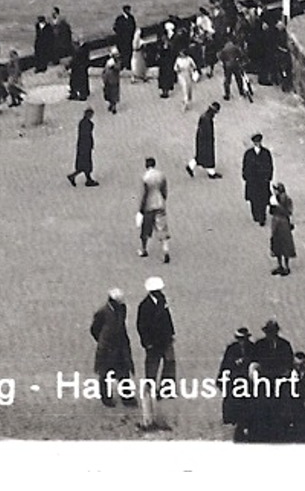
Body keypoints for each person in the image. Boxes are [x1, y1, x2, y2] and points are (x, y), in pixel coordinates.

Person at [135, 276, 176, 432]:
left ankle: (163, 394)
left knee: (168, 368)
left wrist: (171, 334)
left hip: (164, 342)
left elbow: (167, 318)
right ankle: (148, 418)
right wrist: (147, 343)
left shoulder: (160, 300)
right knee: (150, 377)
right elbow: (141, 326)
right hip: (154, 346)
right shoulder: (144, 306)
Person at [89, 289, 137, 408]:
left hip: (120, 346)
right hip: (107, 348)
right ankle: (106, 398)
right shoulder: (102, 312)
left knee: (124, 372)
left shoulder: (121, 309)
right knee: (105, 374)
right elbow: (94, 329)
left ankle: (127, 397)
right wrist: (102, 341)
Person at [218, 326, 257, 440]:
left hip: (248, 382)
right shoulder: (232, 349)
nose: (242, 341)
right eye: (240, 338)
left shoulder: (252, 348)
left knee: (248, 404)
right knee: (234, 403)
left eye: (244, 338)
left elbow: (256, 363)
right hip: (235, 380)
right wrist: (221, 378)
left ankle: (246, 424)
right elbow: (225, 364)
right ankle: (236, 423)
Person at [137, 157, 170, 263]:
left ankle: (144, 249)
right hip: (160, 203)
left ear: (146, 165)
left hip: (149, 206)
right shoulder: (161, 175)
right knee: (162, 228)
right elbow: (164, 190)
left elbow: (144, 194)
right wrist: (163, 199)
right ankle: (165, 250)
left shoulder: (145, 177)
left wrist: (141, 209)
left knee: (145, 229)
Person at [242, 133, 274, 226]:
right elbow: (245, 166)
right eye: (256, 142)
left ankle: (262, 217)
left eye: (259, 142)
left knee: (263, 199)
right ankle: (256, 215)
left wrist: (268, 177)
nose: (257, 144)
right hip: (252, 181)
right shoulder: (248, 154)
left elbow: (270, 166)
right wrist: (245, 176)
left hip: (262, 181)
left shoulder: (266, 153)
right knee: (254, 199)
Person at [187, 102, 221, 178]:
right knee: (208, 155)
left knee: (201, 155)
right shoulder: (208, 119)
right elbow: (208, 131)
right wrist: (211, 139)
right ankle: (211, 172)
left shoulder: (204, 116)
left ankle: (191, 166)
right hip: (206, 140)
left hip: (201, 138)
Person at [268, 183, 296, 276]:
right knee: (277, 244)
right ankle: (280, 265)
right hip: (276, 223)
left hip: (283, 223)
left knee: (284, 244)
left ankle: (286, 266)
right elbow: (271, 212)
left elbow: (288, 212)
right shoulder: (274, 198)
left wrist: (278, 206)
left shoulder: (287, 200)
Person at [68, 109, 98, 187]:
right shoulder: (87, 123)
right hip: (85, 145)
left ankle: (85, 178)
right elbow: (87, 135)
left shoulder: (83, 123)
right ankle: (86, 179)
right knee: (85, 162)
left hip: (82, 144)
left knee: (83, 163)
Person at [113, 6, 138, 72]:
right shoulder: (120, 19)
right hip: (121, 39)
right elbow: (115, 27)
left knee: (129, 51)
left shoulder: (131, 18)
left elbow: (134, 27)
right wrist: (120, 34)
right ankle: (122, 65)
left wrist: (131, 35)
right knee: (122, 51)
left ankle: (128, 65)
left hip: (129, 39)